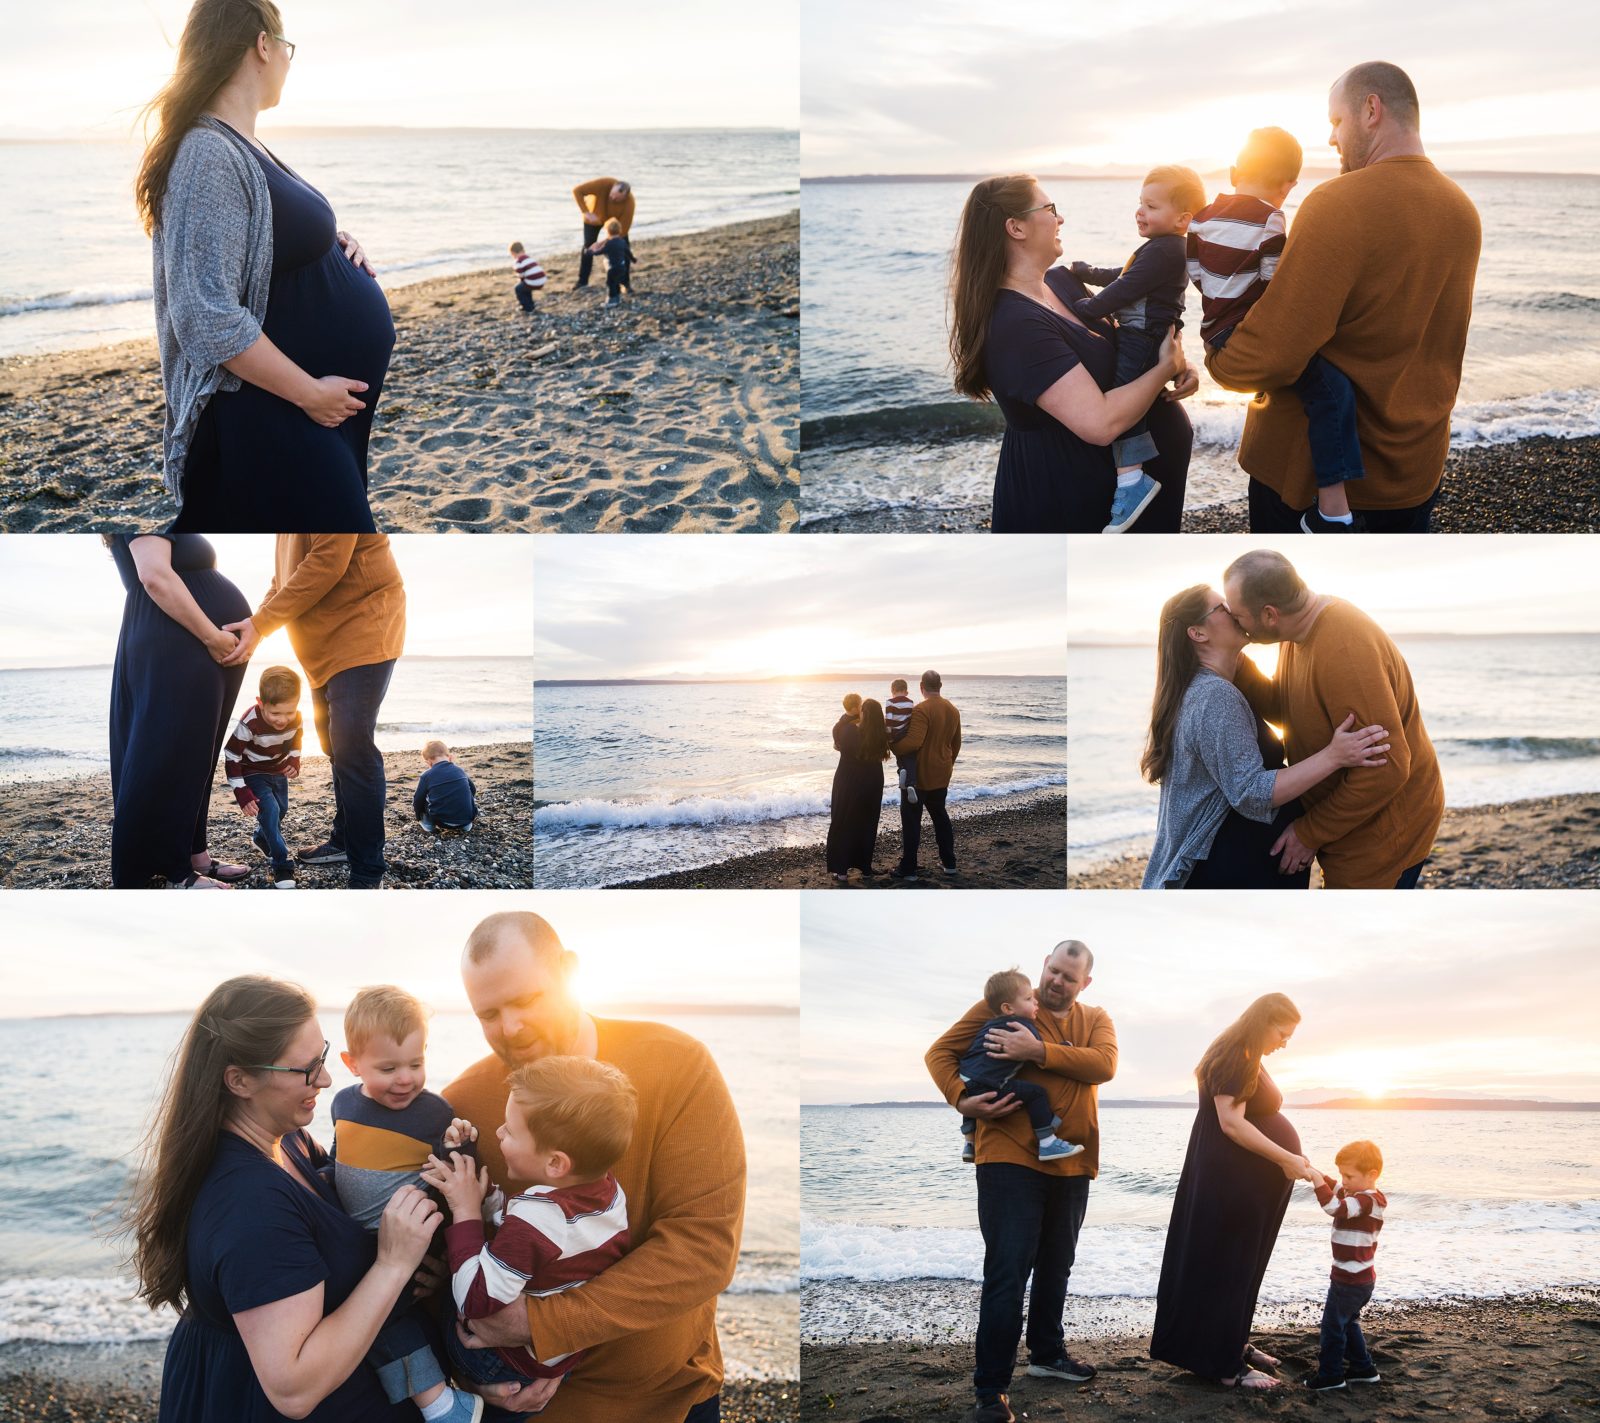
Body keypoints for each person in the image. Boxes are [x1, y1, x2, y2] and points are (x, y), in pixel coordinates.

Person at [439, 911, 743, 1421]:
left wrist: (543, 1323)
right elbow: (433, 1266)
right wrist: (465, 1372)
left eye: (526, 1000)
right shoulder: (462, 1106)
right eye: (488, 1014)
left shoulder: (677, 1064)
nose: (510, 1028)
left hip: (666, 1399)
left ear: (568, 972)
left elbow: (704, 1246)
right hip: (523, 1409)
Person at [125, 974, 443, 1421]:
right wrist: (394, 1264)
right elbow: (293, 1388)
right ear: (239, 1080)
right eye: (307, 1069)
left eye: (323, 1057)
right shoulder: (249, 1204)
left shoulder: (288, 1141)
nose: (326, 1079)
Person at [140, 0, 393, 532]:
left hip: (308, 414)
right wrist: (309, 394)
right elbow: (205, 316)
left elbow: (260, 247)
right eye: (286, 48)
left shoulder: (242, 144)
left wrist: (333, 245)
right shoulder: (207, 153)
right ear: (262, 45)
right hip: (276, 415)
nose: (287, 61)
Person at [1204, 62, 1482, 533]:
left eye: (1336, 121)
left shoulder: (1337, 202)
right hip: (1415, 470)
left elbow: (1272, 355)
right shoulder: (1463, 211)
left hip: (1310, 480)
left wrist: (1218, 358)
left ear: (1371, 109)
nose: (1331, 138)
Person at [926, 940, 1116, 1423]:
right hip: (1008, 1158)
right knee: (1008, 1271)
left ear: (1085, 983)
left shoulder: (1096, 1018)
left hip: (1073, 1161)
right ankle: (990, 1389)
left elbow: (1104, 1065)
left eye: (1069, 977)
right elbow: (939, 1053)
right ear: (1044, 966)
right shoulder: (1006, 1004)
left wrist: (1037, 1051)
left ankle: (1047, 1355)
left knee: (1057, 1266)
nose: (1057, 982)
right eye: (1053, 971)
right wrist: (961, 1099)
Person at [948, 174, 1197, 533]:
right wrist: (1164, 367)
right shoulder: (1014, 323)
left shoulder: (1063, 282)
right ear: (1016, 227)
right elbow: (1100, 424)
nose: (1060, 218)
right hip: (1074, 502)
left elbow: (1132, 337)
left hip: (1142, 495)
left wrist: (1179, 363)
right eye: (1050, 209)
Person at [1140, 584, 1392, 889]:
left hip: (1239, 867)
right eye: (1222, 608)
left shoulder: (1202, 689)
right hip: (1233, 873)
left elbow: (1280, 707)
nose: (1234, 611)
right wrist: (1334, 756)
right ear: (1198, 633)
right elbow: (1251, 793)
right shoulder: (1214, 696)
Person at [1223, 550, 1443, 888]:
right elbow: (1288, 709)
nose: (1234, 623)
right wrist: (1236, 664)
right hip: (1351, 823)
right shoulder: (1297, 630)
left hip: (1385, 831)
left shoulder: (1345, 651)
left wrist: (1309, 833)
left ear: (1269, 614)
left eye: (1237, 616)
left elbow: (1387, 769)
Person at [1189, 128, 1366, 533]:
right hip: (1248, 333)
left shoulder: (1200, 218)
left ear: (1234, 172)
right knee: (1332, 392)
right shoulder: (1271, 219)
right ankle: (1333, 509)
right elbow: (1275, 284)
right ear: (1289, 185)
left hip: (1214, 330)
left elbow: (1195, 273)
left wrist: (1222, 296)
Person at [422, 1056, 634, 1392]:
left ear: (555, 1163)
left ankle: (441, 1399)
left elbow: (474, 1301)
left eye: (509, 1130)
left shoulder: (537, 1216)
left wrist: (466, 1210)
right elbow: (528, 1230)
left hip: (500, 1360)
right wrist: (475, 1178)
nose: (498, 1132)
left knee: (417, 1312)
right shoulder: (608, 1193)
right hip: (555, 1355)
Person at [1150, 992, 1321, 1391]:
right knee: (1228, 1267)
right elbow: (1231, 1123)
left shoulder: (1248, 1054)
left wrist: (1294, 1159)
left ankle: (1233, 1343)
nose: (1284, 1043)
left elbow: (1255, 1117)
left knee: (1242, 1266)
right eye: (1282, 1033)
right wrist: (1285, 1157)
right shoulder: (1234, 1053)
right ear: (1263, 1023)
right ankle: (1225, 1366)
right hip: (1231, 1182)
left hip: (1247, 1183)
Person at [330, 986, 484, 1423]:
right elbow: (339, 1158)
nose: (405, 1079)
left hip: (408, 1239)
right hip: (359, 1238)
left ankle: (442, 1405)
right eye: (388, 1068)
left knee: (380, 1318)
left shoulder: (433, 1113)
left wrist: (461, 1144)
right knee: (360, 1313)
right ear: (352, 1064)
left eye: (416, 1064)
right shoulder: (342, 1103)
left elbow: (458, 1175)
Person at [222, 535, 407, 888]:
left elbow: (327, 562)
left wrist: (260, 625)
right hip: (322, 650)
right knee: (334, 748)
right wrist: (255, 626)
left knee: (353, 750)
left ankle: (368, 871)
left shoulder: (322, 502)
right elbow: (284, 579)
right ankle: (344, 840)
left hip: (363, 628)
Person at [106, 533, 252, 889]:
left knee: (196, 757)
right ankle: (174, 871)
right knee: (170, 756)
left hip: (190, 641)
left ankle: (194, 854)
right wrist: (211, 636)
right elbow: (154, 576)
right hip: (178, 640)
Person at [1069, 165, 1203, 531]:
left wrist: (1088, 308)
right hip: (1145, 335)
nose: (1140, 212)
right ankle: (1131, 476)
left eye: (1152, 206)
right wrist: (1089, 272)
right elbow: (1125, 275)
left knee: (1123, 403)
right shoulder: (1160, 248)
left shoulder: (1167, 250)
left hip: (1142, 336)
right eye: (1141, 203)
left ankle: (1131, 480)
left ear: (1183, 219)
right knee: (1131, 398)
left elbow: (1126, 288)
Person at [954, 969, 1084, 1165]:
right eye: (1029, 999)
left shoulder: (988, 1025)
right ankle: (1047, 1141)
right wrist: (1062, 1048)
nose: (1036, 1002)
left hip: (965, 1078)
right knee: (1036, 1093)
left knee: (972, 1094)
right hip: (988, 1086)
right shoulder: (1022, 1026)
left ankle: (969, 1143)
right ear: (1008, 1008)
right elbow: (1036, 1050)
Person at [1305, 1140, 1387, 1391]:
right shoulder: (1361, 1196)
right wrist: (1316, 1173)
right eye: (1342, 1174)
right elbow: (1339, 1189)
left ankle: (1331, 1375)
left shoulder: (1365, 1201)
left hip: (1349, 1280)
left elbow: (1335, 1208)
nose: (1344, 1181)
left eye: (1349, 1176)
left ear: (1371, 1174)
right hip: (1358, 1278)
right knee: (1348, 1323)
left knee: (1332, 1327)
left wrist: (1317, 1183)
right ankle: (1363, 1369)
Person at [223, 664, 304, 889]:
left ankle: (261, 837)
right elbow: (231, 755)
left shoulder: (296, 717)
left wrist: (294, 760)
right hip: (253, 772)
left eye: (289, 712)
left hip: (278, 770)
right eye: (275, 713)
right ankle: (282, 864)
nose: (283, 719)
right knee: (271, 811)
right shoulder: (250, 722)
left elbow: (297, 737)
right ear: (261, 703)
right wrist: (242, 792)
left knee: (282, 810)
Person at [888, 671, 961, 882]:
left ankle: (908, 868)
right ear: (940, 685)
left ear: (921, 687)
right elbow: (956, 744)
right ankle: (949, 863)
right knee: (940, 817)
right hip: (942, 772)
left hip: (919, 776)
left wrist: (892, 747)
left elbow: (913, 742)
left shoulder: (921, 710)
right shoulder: (953, 709)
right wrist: (948, 763)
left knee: (911, 821)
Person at [825, 698, 889, 884]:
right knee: (867, 824)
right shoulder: (881, 733)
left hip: (848, 780)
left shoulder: (849, 730)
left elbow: (837, 735)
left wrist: (847, 717)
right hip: (873, 781)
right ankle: (865, 868)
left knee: (843, 822)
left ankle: (842, 871)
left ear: (863, 713)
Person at [571, 178, 635, 289]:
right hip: (593, 217)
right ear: (612, 187)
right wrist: (586, 212)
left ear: (625, 197)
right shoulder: (603, 184)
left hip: (615, 223)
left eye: (617, 198)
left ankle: (625, 283)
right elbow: (577, 191)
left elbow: (622, 232)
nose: (612, 198)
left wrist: (602, 243)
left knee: (623, 246)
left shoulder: (629, 204)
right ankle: (582, 281)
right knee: (588, 246)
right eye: (612, 195)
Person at [414, 741, 478, 834]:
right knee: (464, 792)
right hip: (467, 819)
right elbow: (473, 790)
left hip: (440, 821)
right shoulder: (460, 770)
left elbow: (418, 800)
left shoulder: (426, 775)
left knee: (424, 800)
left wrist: (418, 816)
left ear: (428, 762)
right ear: (450, 757)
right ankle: (465, 823)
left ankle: (428, 825)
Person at [585, 218, 636, 306]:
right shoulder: (622, 242)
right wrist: (633, 259)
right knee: (616, 283)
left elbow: (599, 252)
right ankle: (617, 299)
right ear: (619, 230)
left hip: (613, 269)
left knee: (610, 284)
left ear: (608, 231)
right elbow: (628, 252)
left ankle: (611, 301)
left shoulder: (609, 244)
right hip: (622, 267)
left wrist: (589, 252)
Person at [885, 678, 917, 804]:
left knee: (899, 756)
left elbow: (889, 721)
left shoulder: (889, 702)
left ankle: (902, 770)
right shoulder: (910, 703)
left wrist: (889, 738)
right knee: (910, 758)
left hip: (894, 735)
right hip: (905, 734)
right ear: (906, 691)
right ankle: (911, 783)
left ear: (892, 690)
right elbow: (911, 720)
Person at [508, 242, 546, 314]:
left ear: (512, 253)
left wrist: (519, 278)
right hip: (542, 279)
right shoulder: (529, 258)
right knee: (526, 288)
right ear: (523, 250)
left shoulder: (518, 261)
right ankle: (530, 305)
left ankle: (526, 308)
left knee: (518, 288)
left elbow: (521, 275)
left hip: (534, 281)